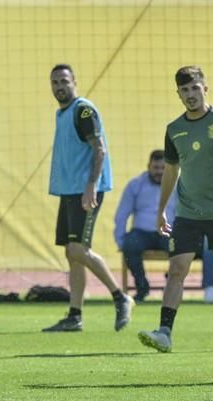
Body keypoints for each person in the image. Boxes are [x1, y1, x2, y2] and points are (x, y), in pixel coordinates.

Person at [137, 65, 213, 353]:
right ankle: (164, 332)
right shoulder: (174, 130)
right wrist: (162, 209)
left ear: (205, 88)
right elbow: (171, 170)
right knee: (177, 268)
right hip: (188, 213)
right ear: (178, 94)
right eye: (184, 90)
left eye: (195, 88)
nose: (190, 94)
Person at [43, 64, 134, 332]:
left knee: (78, 250)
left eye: (64, 81)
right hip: (70, 190)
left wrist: (91, 185)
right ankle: (75, 315)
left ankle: (120, 297)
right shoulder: (62, 113)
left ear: (75, 82)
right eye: (55, 82)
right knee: (72, 256)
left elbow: (100, 149)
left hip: (85, 190)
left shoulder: (83, 110)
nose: (60, 86)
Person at [114, 149, 177, 304]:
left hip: (168, 231)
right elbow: (122, 214)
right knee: (129, 245)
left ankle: (172, 284)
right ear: (149, 166)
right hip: (141, 232)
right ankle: (142, 287)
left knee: (182, 247)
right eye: (156, 168)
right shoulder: (135, 185)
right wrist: (120, 240)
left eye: (163, 168)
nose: (159, 172)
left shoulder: (177, 185)